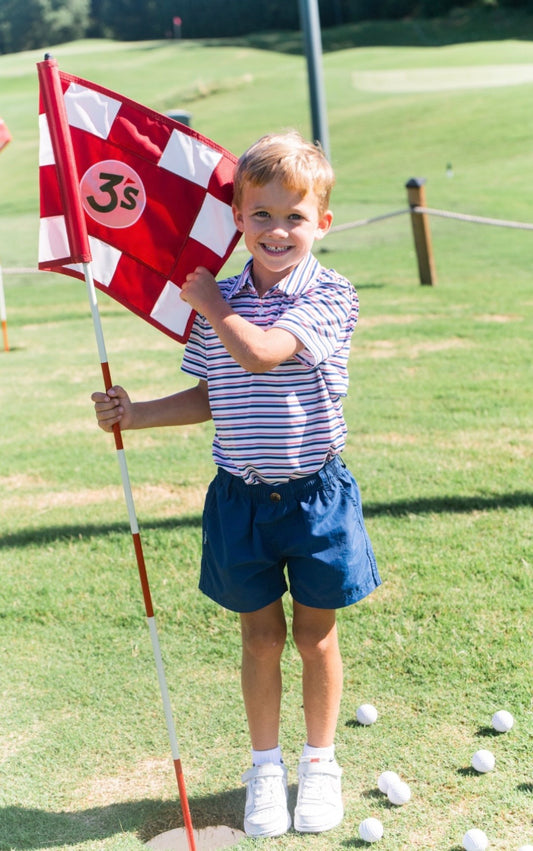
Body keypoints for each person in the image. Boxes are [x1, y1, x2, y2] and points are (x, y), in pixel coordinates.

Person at [92, 130, 381, 838]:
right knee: (258, 638)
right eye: (260, 215)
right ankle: (263, 768)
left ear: (322, 224)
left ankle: (319, 764)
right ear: (237, 217)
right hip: (238, 499)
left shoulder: (331, 294)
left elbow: (259, 354)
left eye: (294, 216)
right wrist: (137, 413)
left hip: (314, 496)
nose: (277, 230)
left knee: (314, 636)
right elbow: (215, 390)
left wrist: (214, 306)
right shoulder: (215, 298)